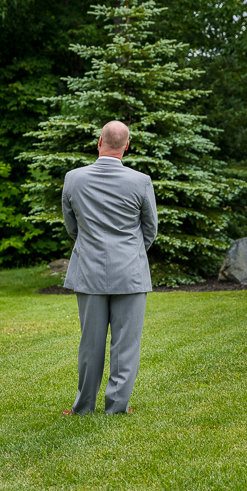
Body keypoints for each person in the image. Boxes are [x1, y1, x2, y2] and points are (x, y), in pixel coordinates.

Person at [61, 121, 158, 415]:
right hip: (130, 272)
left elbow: (71, 226)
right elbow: (150, 229)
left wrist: (91, 245)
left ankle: (84, 407)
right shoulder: (141, 181)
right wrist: (130, 251)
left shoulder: (73, 178)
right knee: (126, 344)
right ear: (126, 145)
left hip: (88, 270)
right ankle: (117, 407)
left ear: (99, 141)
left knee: (89, 343)